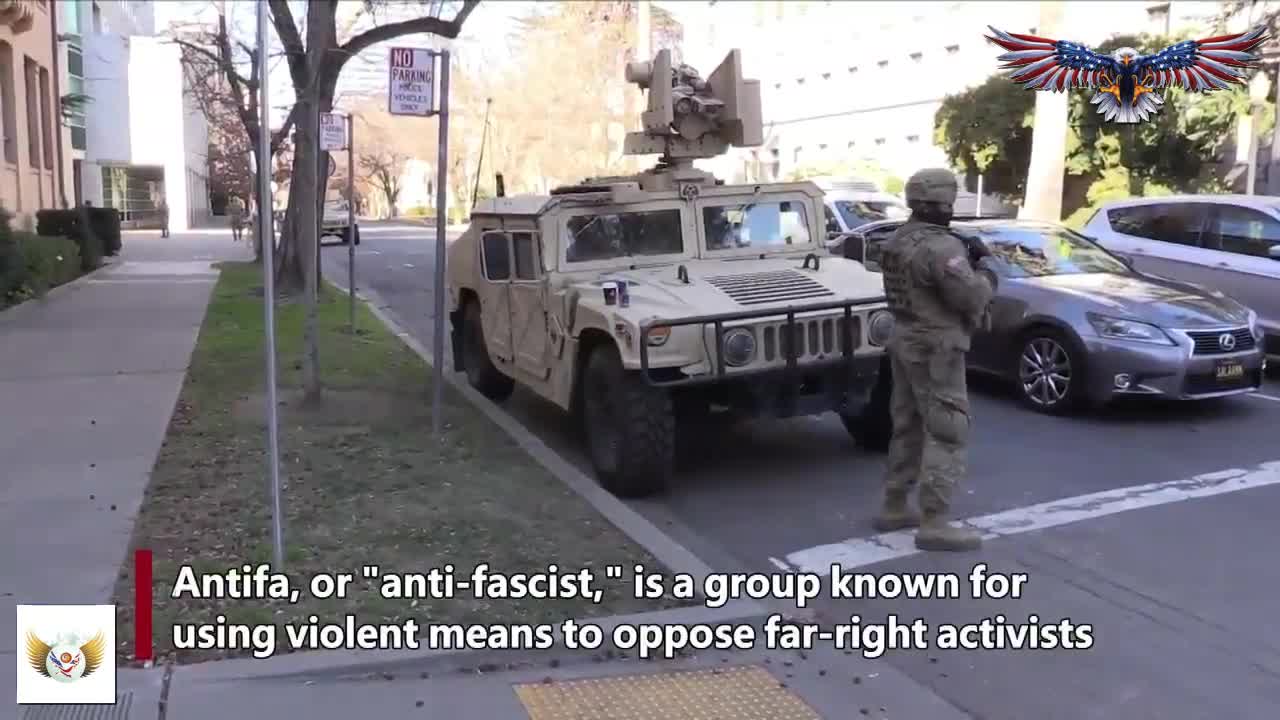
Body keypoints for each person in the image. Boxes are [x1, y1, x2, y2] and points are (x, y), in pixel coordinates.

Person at [872, 168, 999, 552]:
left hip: (905, 339)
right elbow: (972, 298)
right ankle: (935, 521)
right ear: (943, 203)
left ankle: (894, 504)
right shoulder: (943, 249)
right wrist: (987, 268)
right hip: (937, 347)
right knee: (947, 430)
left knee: (907, 425)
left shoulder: (896, 241)